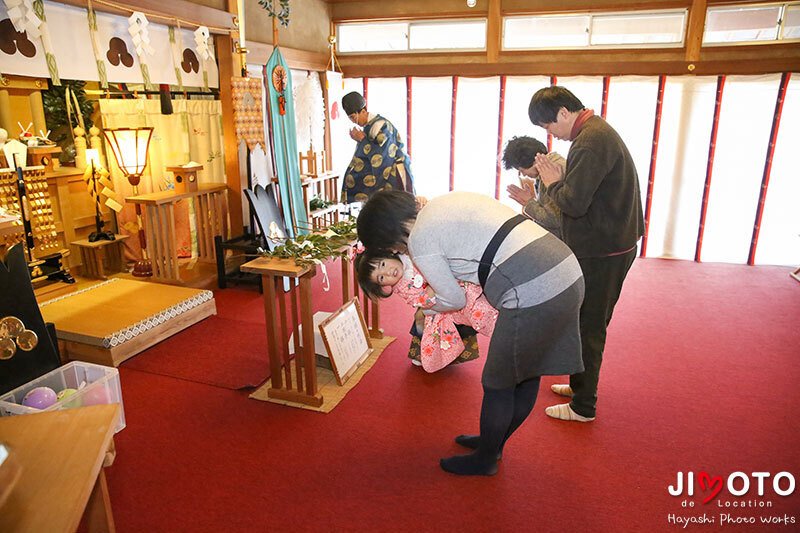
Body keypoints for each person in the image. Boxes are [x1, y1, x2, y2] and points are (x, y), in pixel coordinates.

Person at [357, 190, 584, 476]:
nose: (394, 252)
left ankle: (487, 457)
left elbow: (454, 300)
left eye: (387, 247)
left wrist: (427, 309)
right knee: (524, 372)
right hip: (563, 267)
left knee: (499, 383)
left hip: (533, 286)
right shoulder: (441, 202)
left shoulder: (420, 240)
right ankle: (493, 441)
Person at [528, 86, 644, 423]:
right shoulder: (595, 132)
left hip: (604, 249)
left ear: (564, 114)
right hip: (610, 242)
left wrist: (551, 184)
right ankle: (580, 384)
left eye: (548, 126)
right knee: (585, 321)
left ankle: (584, 406)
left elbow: (573, 205)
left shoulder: (590, 142)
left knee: (590, 325)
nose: (550, 135)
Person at [356, 248, 497, 372]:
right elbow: (420, 300)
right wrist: (434, 285)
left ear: (389, 254)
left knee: (478, 299)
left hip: (456, 282)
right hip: (440, 306)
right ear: (381, 286)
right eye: (381, 278)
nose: (388, 273)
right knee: (465, 318)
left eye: (383, 264)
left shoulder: (410, 252)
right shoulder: (402, 287)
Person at [340, 91, 415, 204]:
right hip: (385, 173)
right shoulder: (369, 126)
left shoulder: (381, 125)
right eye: (350, 118)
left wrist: (361, 140)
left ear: (363, 111)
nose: (353, 121)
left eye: (353, 117)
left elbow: (382, 156)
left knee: (398, 209)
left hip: (394, 173)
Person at [502, 135, 565, 239]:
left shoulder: (550, 173)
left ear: (530, 162)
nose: (524, 175)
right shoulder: (554, 164)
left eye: (522, 170)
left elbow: (553, 220)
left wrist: (529, 203)